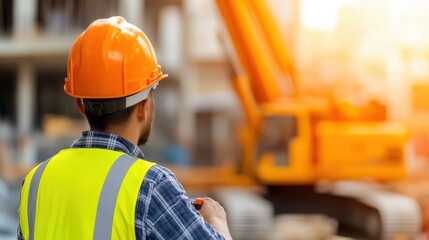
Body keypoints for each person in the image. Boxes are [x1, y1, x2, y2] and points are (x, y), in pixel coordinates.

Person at [17, 16, 232, 240]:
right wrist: (217, 221)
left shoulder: (35, 182)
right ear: (143, 107)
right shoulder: (151, 187)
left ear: (81, 105)